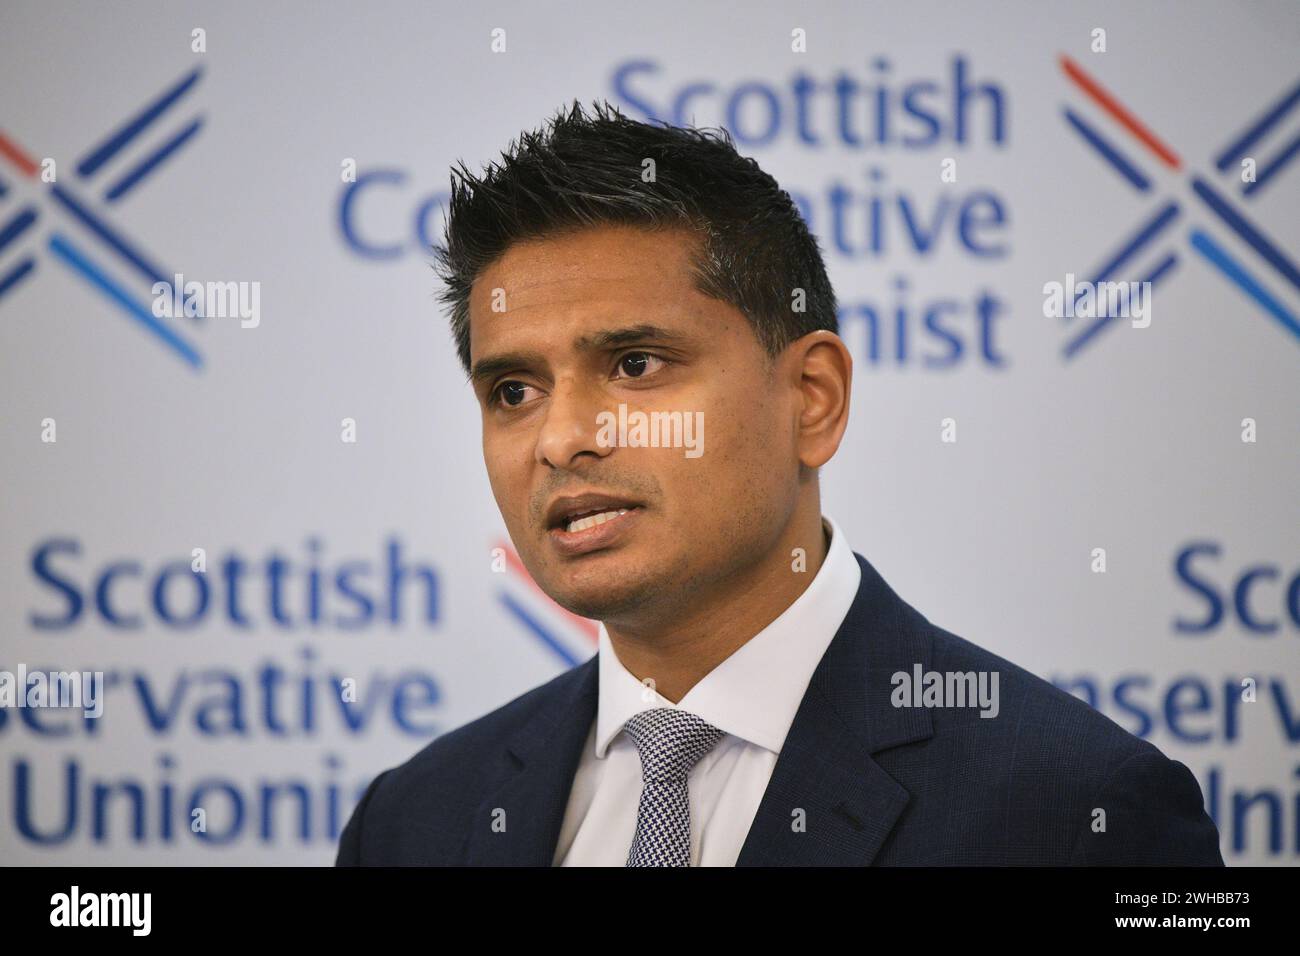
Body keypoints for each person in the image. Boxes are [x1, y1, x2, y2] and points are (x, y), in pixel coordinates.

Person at [336, 101, 1224, 866]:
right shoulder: (413, 822)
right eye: (514, 392)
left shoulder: (1075, 813)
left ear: (812, 399)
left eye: (637, 364)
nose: (563, 438)